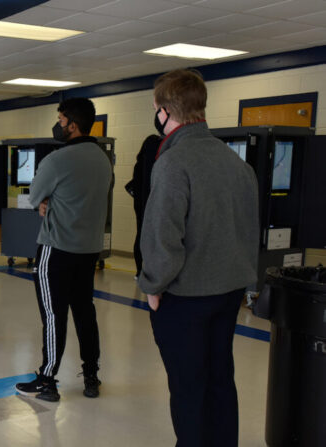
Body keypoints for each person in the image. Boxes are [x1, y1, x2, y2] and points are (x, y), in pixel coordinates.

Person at [139, 69, 258, 447]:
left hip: (186, 296)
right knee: (220, 378)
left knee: (188, 387)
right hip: (228, 291)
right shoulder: (235, 162)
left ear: (164, 110)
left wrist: (153, 285)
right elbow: (247, 226)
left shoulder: (173, 162)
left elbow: (162, 232)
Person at [15, 97, 112, 402]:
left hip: (56, 250)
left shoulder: (56, 160)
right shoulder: (102, 159)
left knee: (54, 316)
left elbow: (34, 198)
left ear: (73, 123)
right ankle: (91, 375)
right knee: (85, 311)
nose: (58, 125)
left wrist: (47, 202)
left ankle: (47, 380)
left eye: (60, 120)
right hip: (88, 250)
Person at [125, 135, 161, 277]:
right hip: (150, 202)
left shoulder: (146, 149)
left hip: (141, 202)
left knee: (141, 234)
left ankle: (140, 271)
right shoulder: (157, 151)